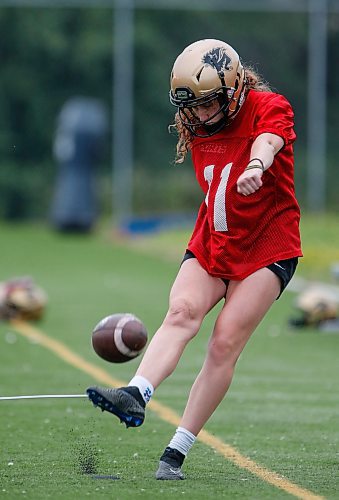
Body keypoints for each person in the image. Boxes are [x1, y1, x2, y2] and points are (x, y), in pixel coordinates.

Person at [87, 38, 302, 480]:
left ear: (235, 88)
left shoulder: (268, 105)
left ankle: (177, 449)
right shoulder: (197, 124)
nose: (201, 114)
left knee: (224, 341)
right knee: (182, 310)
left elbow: (269, 138)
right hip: (214, 239)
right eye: (193, 106)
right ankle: (137, 393)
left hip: (268, 244)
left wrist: (257, 167)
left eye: (209, 104)